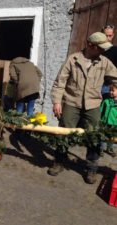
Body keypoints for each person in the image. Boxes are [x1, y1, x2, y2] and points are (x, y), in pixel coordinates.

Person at [49, 32, 117, 184]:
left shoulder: (104, 62)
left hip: (93, 104)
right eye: (100, 48)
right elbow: (60, 82)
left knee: (94, 136)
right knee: (64, 132)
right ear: (91, 45)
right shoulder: (72, 60)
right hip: (72, 103)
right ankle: (59, 161)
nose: (103, 51)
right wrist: (57, 102)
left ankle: (92, 168)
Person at [100, 83, 117, 157]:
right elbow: (101, 110)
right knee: (102, 136)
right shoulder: (106, 101)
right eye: (110, 90)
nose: (110, 92)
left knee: (112, 137)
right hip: (104, 122)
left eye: (113, 91)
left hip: (114, 123)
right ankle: (101, 148)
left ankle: (110, 148)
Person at [101, 24, 117, 98]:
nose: (107, 38)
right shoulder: (96, 49)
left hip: (108, 86)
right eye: (105, 35)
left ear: (113, 35)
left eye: (110, 36)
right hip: (93, 84)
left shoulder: (115, 50)